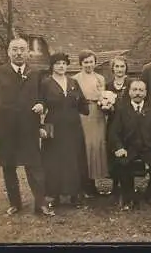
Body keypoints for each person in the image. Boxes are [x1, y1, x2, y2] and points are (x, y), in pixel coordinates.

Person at [0, 38, 55, 217]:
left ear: (27, 53)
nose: (18, 53)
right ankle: (15, 203)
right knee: (8, 167)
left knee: (34, 166)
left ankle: (40, 204)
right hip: (5, 129)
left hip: (28, 128)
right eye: (15, 49)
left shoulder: (36, 74)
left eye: (22, 49)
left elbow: (43, 97)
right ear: (9, 52)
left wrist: (41, 104)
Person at [109, 79, 151, 210]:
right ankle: (128, 196)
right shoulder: (121, 109)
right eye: (134, 90)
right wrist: (119, 148)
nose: (137, 93)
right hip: (129, 148)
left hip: (149, 148)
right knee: (121, 162)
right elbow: (114, 133)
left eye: (141, 90)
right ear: (129, 92)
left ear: (146, 93)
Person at [40, 53, 90, 209]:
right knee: (54, 160)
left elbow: (83, 104)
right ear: (52, 66)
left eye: (64, 63)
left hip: (73, 126)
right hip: (54, 125)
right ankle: (54, 195)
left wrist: (101, 102)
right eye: (57, 63)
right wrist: (40, 124)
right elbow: (40, 103)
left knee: (75, 159)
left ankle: (75, 194)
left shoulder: (73, 82)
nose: (61, 66)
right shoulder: (45, 83)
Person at [72, 50, 109, 197]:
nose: (89, 65)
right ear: (81, 63)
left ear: (95, 62)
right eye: (85, 62)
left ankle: (95, 181)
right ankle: (84, 183)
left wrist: (105, 102)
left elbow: (103, 95)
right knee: (85, 147)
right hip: (83, 113)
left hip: (98, 113)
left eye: (91, 61)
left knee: (97, 145)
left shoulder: (100, 78)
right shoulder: (75, 79)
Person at [105, 56, 133, 197]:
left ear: (126, 68)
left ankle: (129, 182)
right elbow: (104, 104)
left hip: (129, 122)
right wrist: (106, 107)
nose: (120, 69)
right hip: (113, 121)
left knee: (128, 149)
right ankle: (115, 183)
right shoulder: (108, 85)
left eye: (122, 66)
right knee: (113, 150)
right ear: (113, 69)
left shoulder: (131, 83)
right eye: (117, 66)